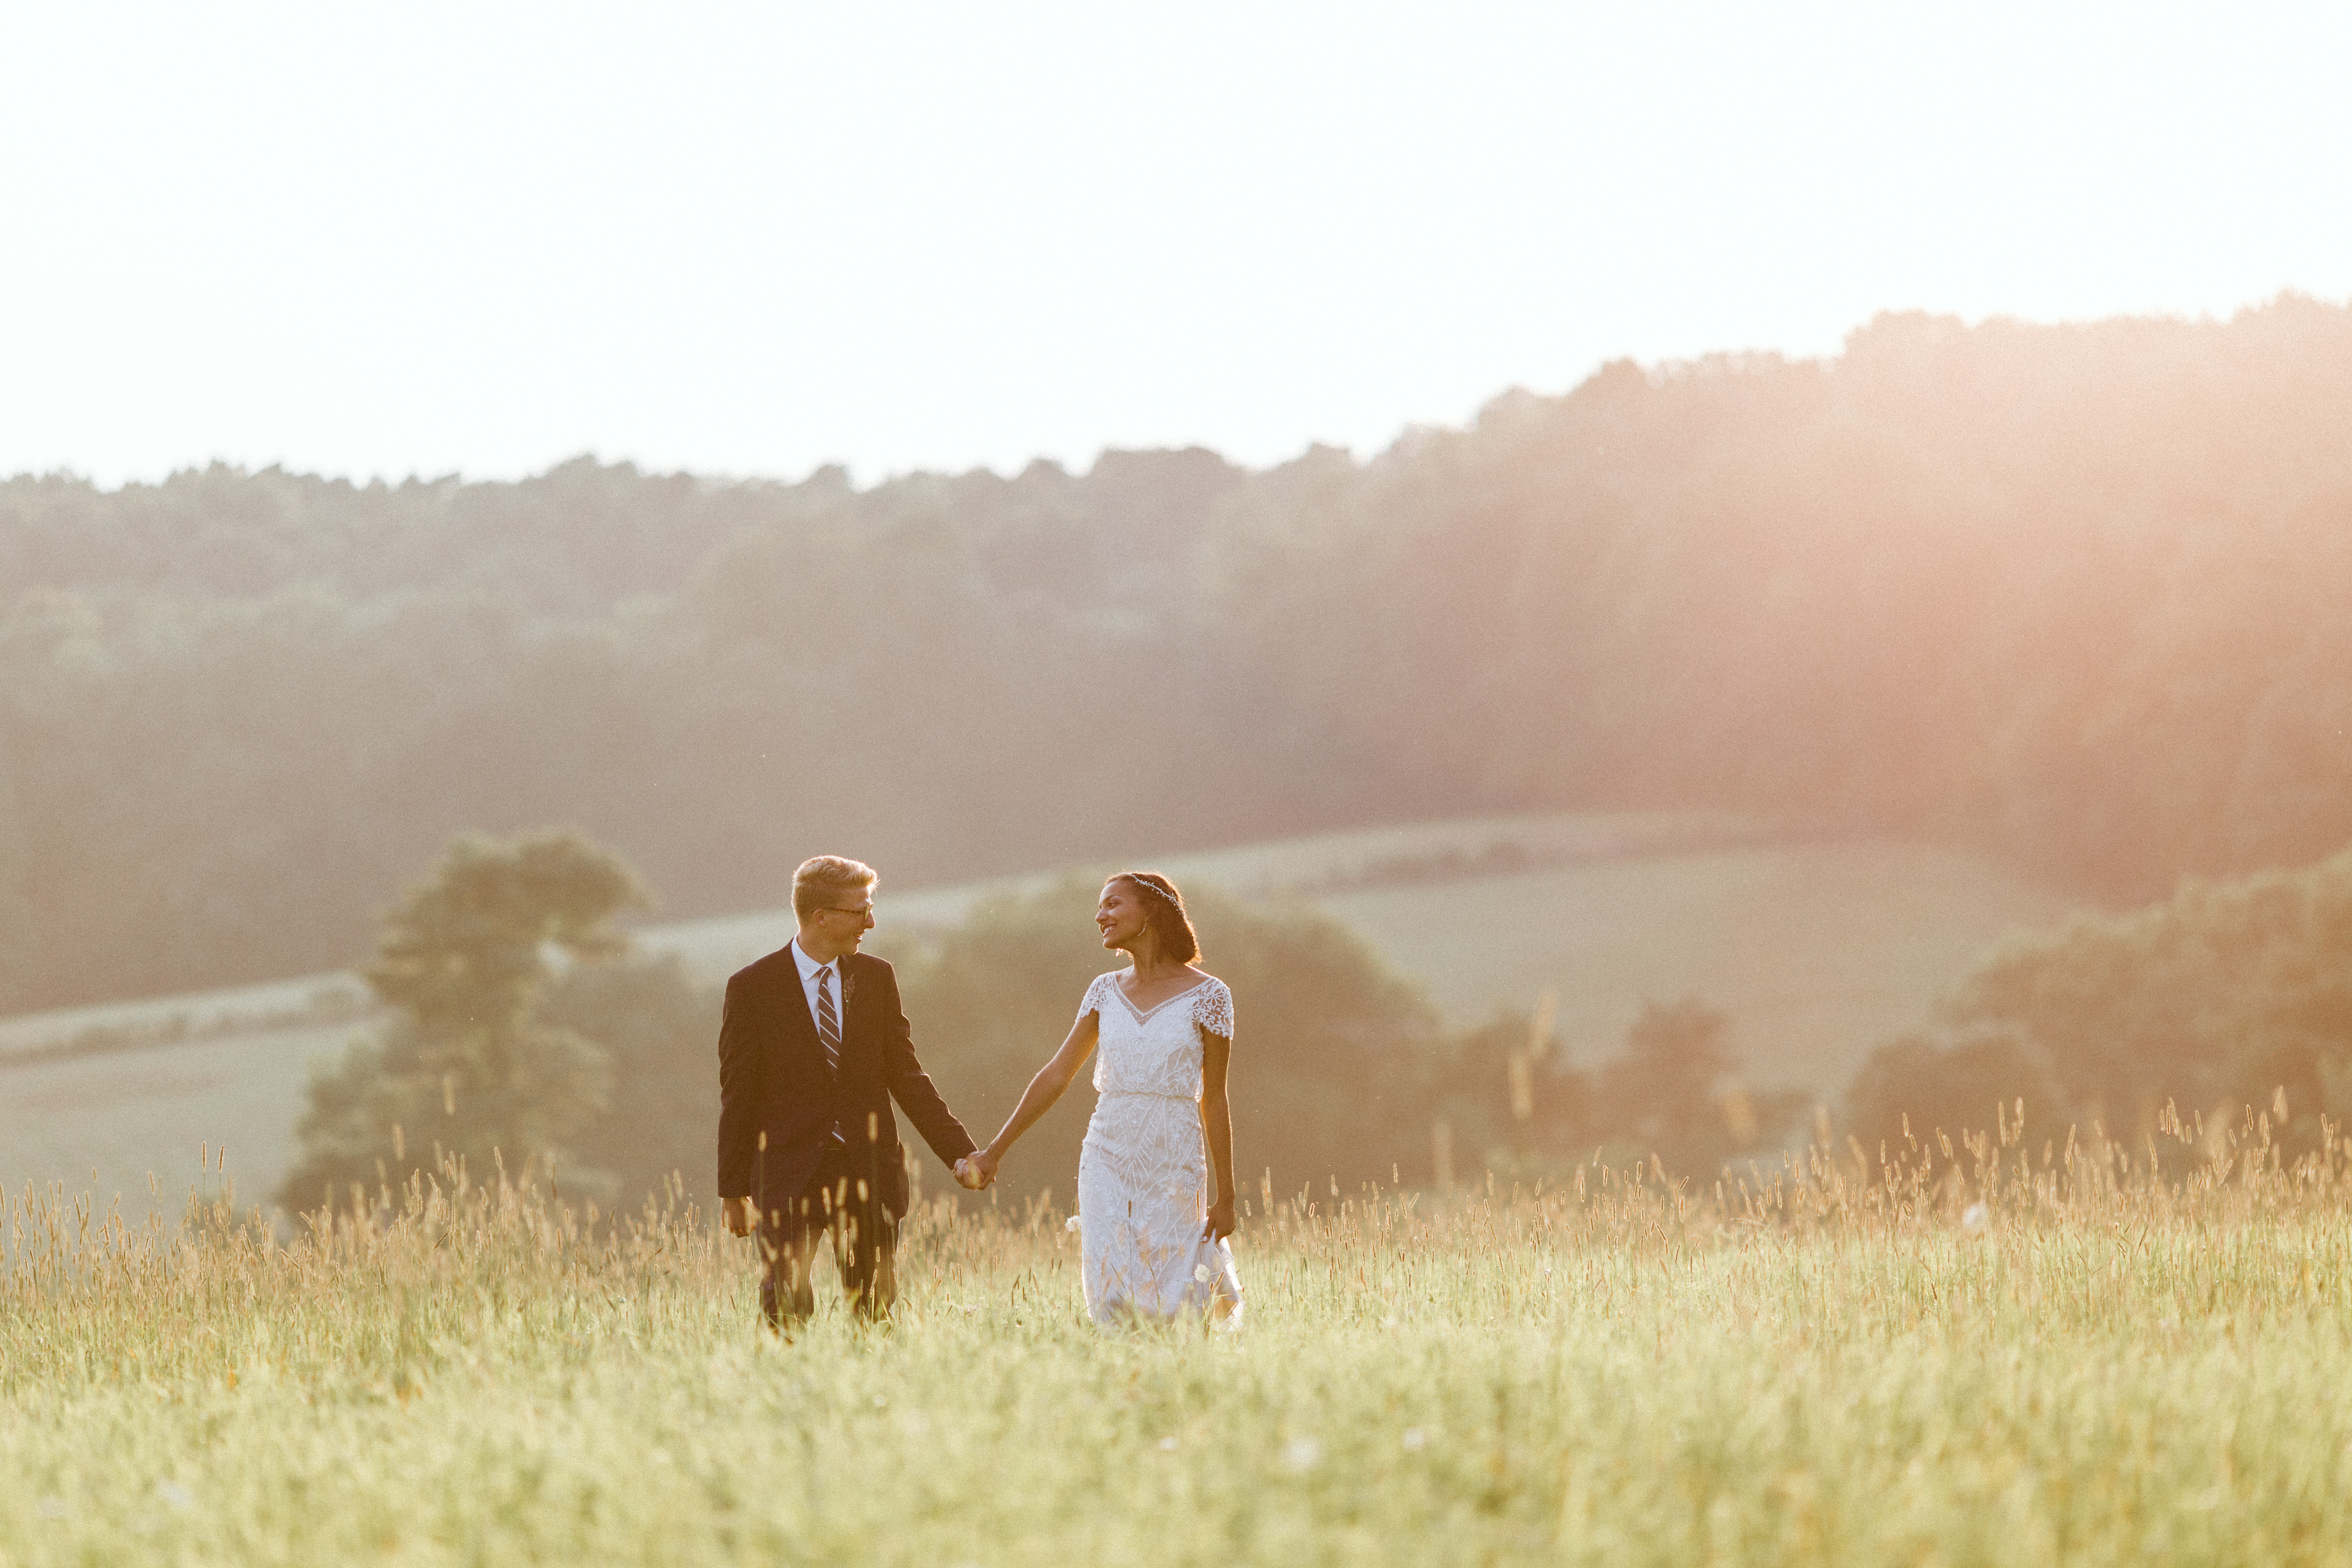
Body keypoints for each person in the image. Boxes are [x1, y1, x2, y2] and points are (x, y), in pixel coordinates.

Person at [957, 871, 1243, 1325]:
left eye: (1112, 905)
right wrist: (995, 1151)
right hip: (1107, 1154)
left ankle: (1178, 1373)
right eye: (1100, 906)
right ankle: (1117, 1370)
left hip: (1175, 1154)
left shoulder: (1209, 995)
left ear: (1150, 912)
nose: (1099, 916)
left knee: (1173, 1288)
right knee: (1112, 1284)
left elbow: (1216, 1097)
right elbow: (1055, 1076)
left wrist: (1226, 1195)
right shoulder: (1104, 991)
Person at [716, 855, 977, 1327]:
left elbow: (907, 1076)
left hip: (867, 1168)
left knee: (875, 1305)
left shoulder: (877, 979)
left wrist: (960, 1152)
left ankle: (869, 1389)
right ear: (822, 915)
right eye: (861, 911)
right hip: (787, 1172)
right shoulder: (752, 988)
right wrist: (733, 1190)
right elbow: (739, 1094)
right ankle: (786, 1387)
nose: (871, 922)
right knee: (785, 1302)